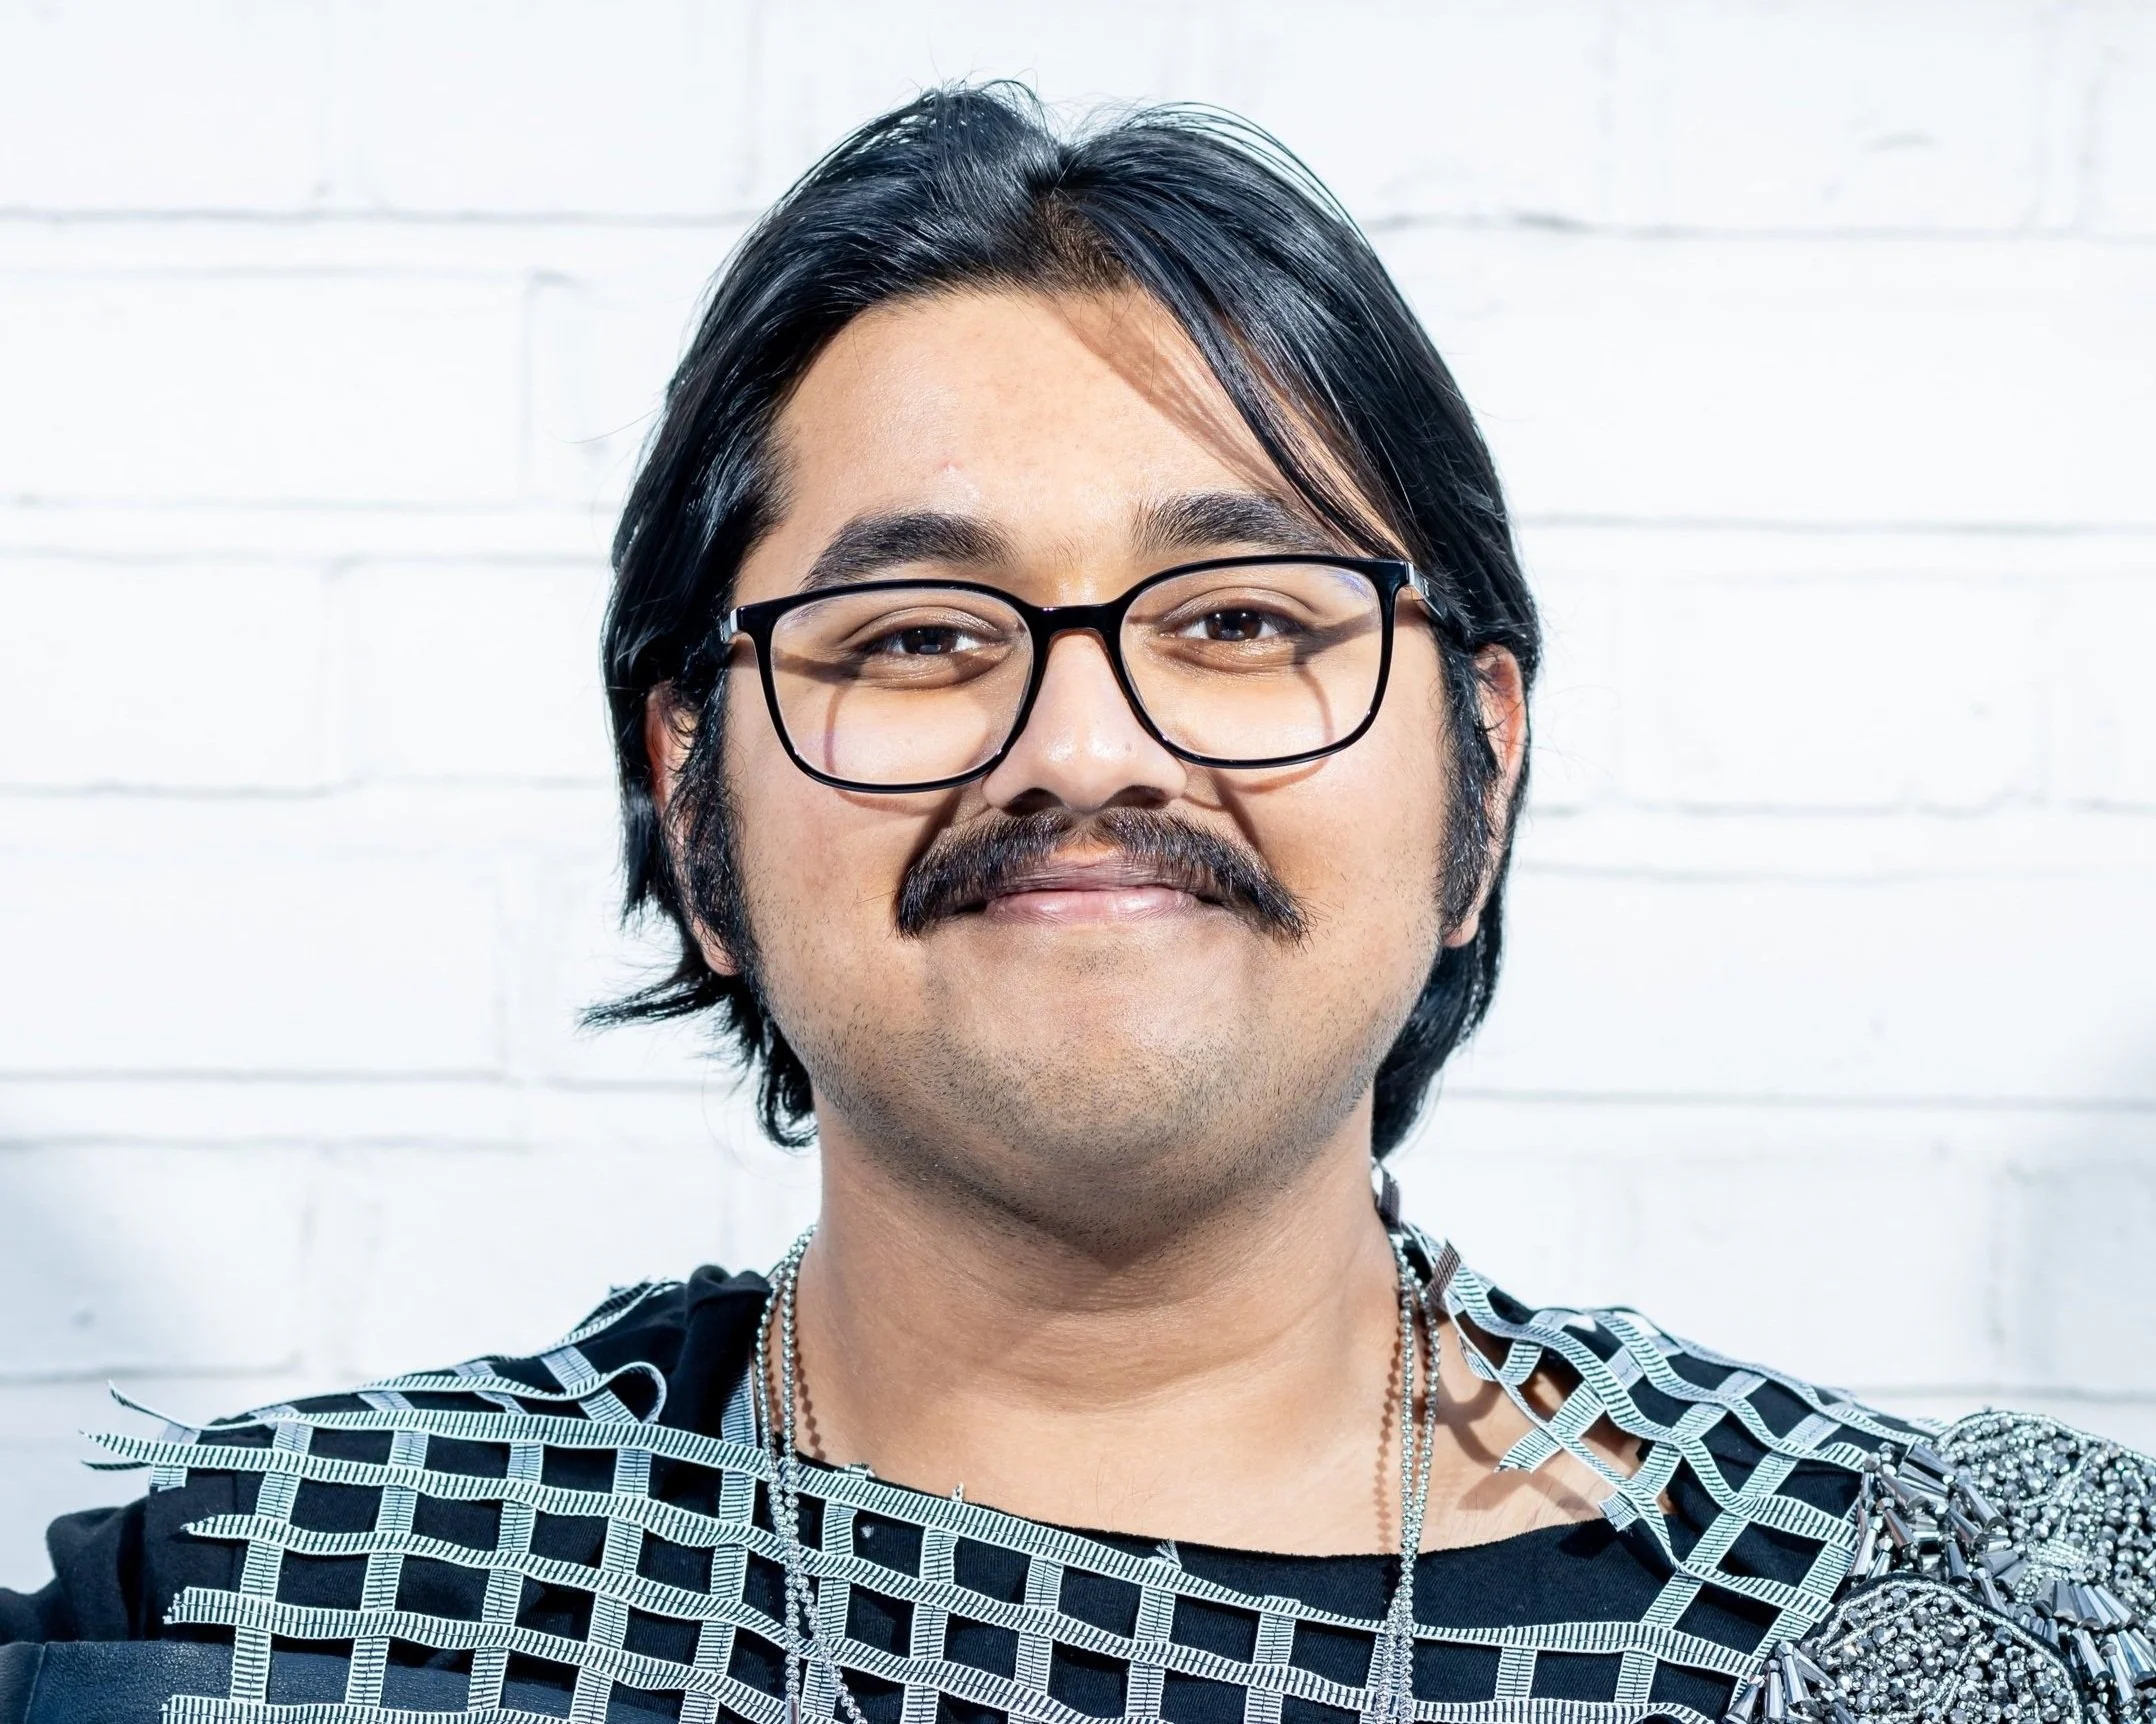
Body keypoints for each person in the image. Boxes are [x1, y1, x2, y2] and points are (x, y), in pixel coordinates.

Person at [2, 84, 2151, 1724]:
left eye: (1235, 617)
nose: (1086, 749)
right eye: (918, 638)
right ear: (691, 798)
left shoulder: (1915, 1617)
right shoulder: (283, 1617)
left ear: (1477, 773)